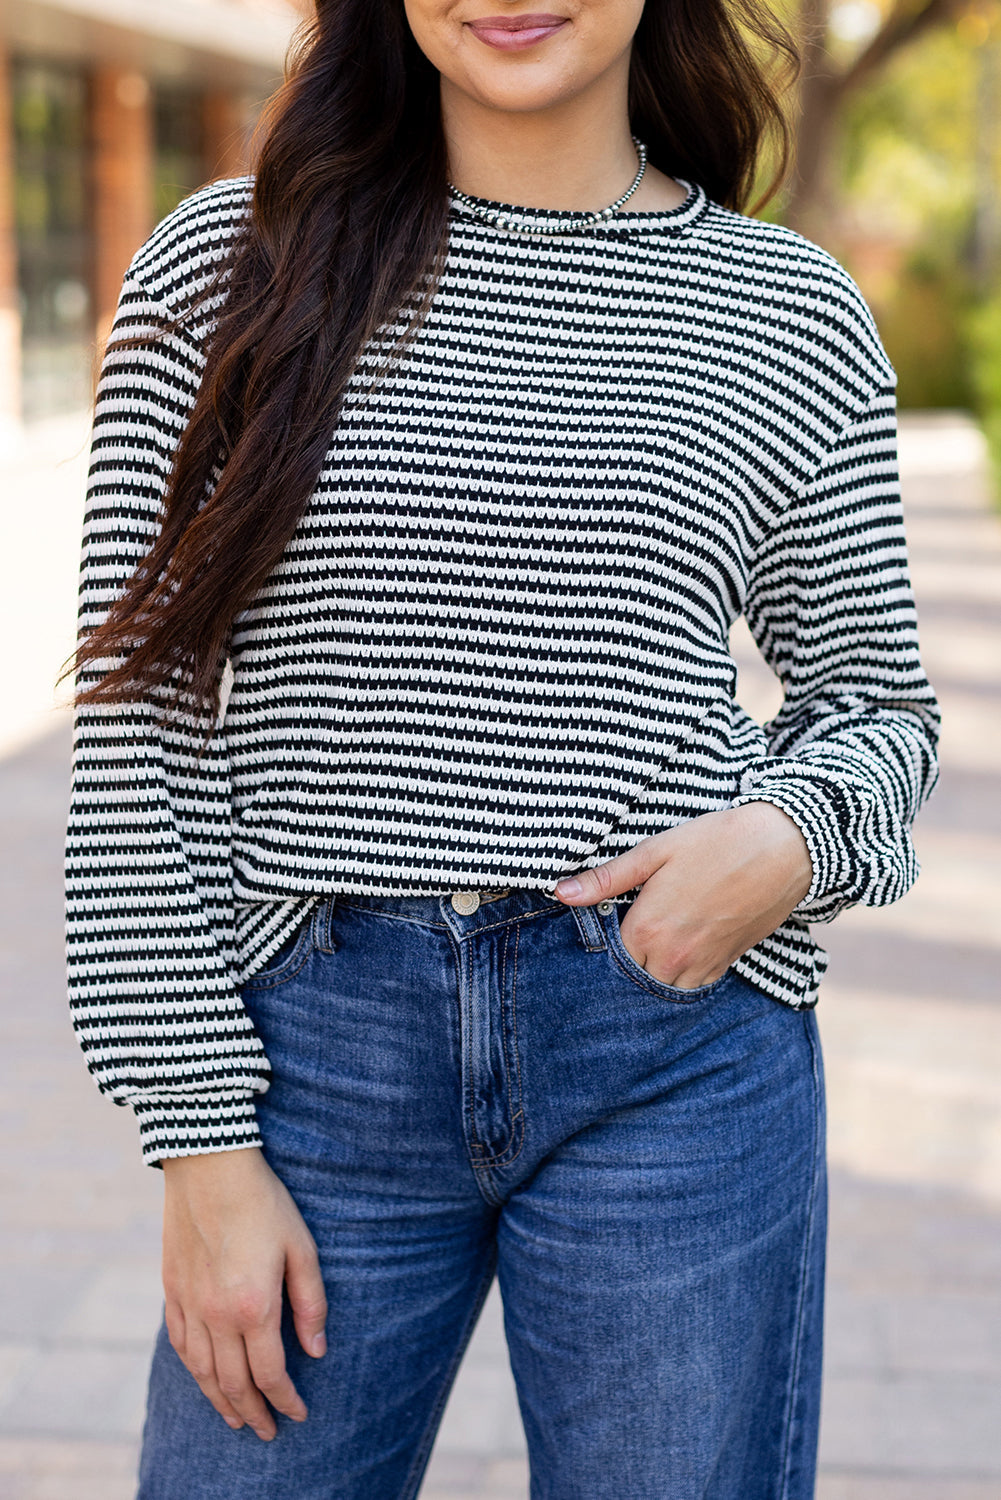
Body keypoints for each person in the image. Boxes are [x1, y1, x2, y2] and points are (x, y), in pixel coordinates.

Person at [65, 1, 940, 1495]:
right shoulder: (228, 265)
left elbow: (876, 711)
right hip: (314, 1062)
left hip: (671, 1044)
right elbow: (139, 728)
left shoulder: (782, 308)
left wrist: (778, 842)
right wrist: (198, 1146)